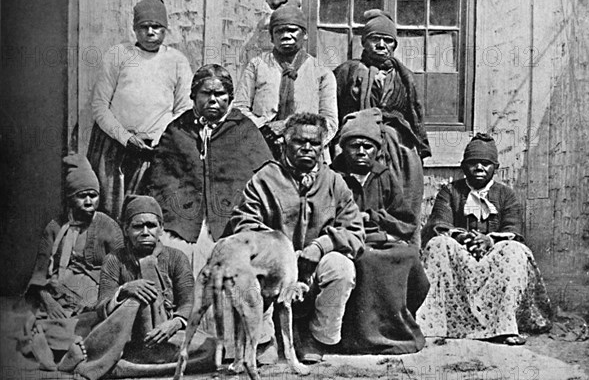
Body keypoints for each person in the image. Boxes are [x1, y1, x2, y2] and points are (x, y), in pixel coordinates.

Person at [230, 113, 365, 364]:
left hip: (312, 266)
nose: (307, 148)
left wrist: (321, 246)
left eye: (314, 144)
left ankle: (317, 336)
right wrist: (277, 251)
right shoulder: (264, 179)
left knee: (342, 268)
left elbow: (355, 231)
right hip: (274, 267)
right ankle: (264, 338)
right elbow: (243, 224)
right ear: (284, 143)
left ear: (323, 147)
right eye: (299, 142)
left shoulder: (334, 182)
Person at [60, 195, 215, 380]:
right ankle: (110, 359)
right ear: (126, 230)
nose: (145, 232)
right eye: (137, 227)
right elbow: (102, 306)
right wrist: (125, 290)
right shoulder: (114, 260)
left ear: (161, 229)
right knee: (136, 298)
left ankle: (121, 366)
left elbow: (189, 302)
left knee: (210, 349)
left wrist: (173, 324)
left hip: (165, 334)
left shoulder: (176, 258)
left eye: (151, 226)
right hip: (126, 335)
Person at [418, 134, 552, 345]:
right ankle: (435, 326)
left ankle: (505, 327)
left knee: (514, 251)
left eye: (485, 163)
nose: (479, 168)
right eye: (473, 163)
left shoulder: (506, 194)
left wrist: (490, 241)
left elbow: (513, 229)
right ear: (463, 167)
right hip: (459, 261)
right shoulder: (450, 191)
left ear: (495, 167)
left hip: (493, 260)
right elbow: (438, 225)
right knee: (438, 245)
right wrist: (461, 236)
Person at [141, 64, 272, 277]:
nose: (213, 99)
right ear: (193, 96)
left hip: (230, 220)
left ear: (229, 98)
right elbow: (160, 180)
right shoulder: (178, 130)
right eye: (206, 93)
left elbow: (264, 179)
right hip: (182, 220)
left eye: (219, 94)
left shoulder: (244, 130)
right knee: (172, 256)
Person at [331, 108, 430, 354]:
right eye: (355, 146)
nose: (362, 152)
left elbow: (404, 220)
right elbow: (326, 219)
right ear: (344, 148)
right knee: (367, 260)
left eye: (368, 146)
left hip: (381, 238)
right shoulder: (334, 176)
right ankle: (361, 337)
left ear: (377, 150)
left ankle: (397, 330)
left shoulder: (383, 176)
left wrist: (376, 219)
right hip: (349, 243)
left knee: (407, 256)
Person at [87, 0, 193, 221]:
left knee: (144, 214)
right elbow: (99, 106)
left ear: (166, 30)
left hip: (154, 150)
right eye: (144, 27)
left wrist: (160, 139)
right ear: (135, 29)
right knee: (111, 213)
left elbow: (184, 109)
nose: (151, 32)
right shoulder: (119, 55)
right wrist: (124, 137)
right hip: (115, 149)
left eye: (157, 27)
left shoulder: (176, 61)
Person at [18, 154, 124, 371]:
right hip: (59, 298)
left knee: (101, 322)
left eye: (93, 196)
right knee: (30, 319)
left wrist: (100, 299)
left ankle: (58, 347)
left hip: (95, 300)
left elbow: (121, 272)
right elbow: (40, 272)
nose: (88, 202)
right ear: (69, 198)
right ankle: (53, 345)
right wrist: (49, 301)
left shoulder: (109, 227)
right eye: (82, 196)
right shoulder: (55, 227)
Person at [334, 9, 431, 245]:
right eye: (375, 39)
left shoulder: (403, 76)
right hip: (359, 146)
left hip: (398, 149)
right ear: (364, 42)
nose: (381, 45)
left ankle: (404, 254)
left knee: (402, 201)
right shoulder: (348, 72)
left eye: (388, 40)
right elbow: (334, 111)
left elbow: (415, 115)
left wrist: (416, 147)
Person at [232, 0, 337, 158]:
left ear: (305, 34)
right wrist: (265, 128)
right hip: (263, 147)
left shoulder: (321, 72)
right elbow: (239, 108)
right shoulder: (257, 65)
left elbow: (330, 122)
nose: (286, 35)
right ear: (272, 38)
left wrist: (295, 133)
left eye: (292, 30)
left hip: (308, 154)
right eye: (279, 31)